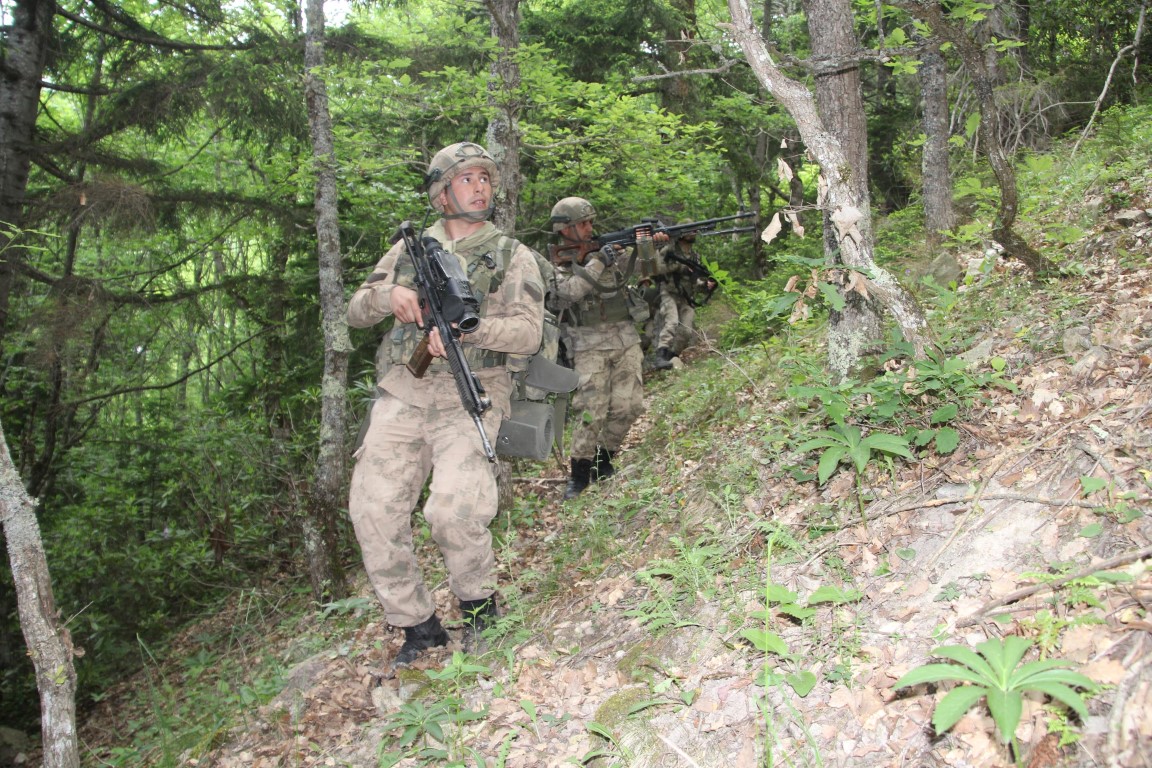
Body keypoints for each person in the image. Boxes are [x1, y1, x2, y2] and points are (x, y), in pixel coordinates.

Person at [347, 141, 545, 666]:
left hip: (471, 390)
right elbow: (356, 309)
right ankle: (418, 627)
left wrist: (468, 330)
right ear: (441, 194)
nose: (480, 187)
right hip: (404, 391)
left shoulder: (511, 255)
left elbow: (528, 334)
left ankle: (479, 609)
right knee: (371, 507)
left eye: (485, 178)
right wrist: (389, 297)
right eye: (467, 179)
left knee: (455, 508)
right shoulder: (408, 251)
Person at [546, 197, 649, 500]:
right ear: (565, 229)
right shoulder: (556, 263)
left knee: (628, 405)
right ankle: (579, 473)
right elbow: (565, 295)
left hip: (625, 337)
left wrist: (649, 246)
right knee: (590, 411)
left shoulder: (609, 252)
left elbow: (645, 269)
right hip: (587, 344)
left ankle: (604, 461)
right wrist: (597, 262)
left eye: (591, 221)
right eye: (583, 223)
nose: (590, 228)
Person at [646, 230, 717, 370]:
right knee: (671, 322)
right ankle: (660, 355)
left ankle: (672, 356)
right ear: (681, 234)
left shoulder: (695, 256)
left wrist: (706, 286)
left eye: (695, 231)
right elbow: (655, 269)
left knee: (686, 330)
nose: (693, 234)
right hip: (668, 293)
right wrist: (678, 267)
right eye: (690, 231)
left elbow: (695, 282)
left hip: (686, 298)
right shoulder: (669, 250)